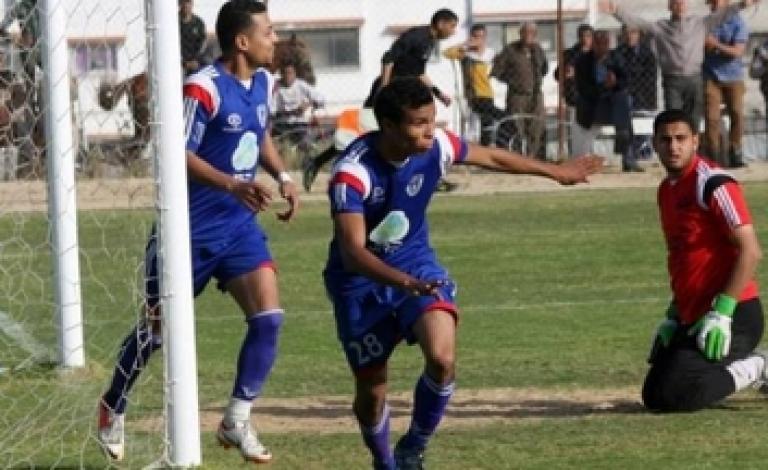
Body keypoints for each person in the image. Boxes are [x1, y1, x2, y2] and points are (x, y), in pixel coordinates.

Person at [324, 77, 601, 470]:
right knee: (372, 390)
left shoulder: (437, 146)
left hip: (415, 264)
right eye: (419, 123)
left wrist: (556, 171)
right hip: (360, 284)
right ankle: (384, 462)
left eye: (432, 120)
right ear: (388, 125)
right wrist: (404, 283)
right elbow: (353, 253)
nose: (430, 130)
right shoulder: (353, 174)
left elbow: (493, 158)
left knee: (442, 357)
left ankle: (413, 447)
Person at [96, 1, 299, 463]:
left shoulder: (263, 82)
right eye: (268, 31)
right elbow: (176, 153)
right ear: (242, 41)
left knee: (269, 317)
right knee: (156, 332)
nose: (275, 39)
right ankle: (112, 405)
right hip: (186, 231)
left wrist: (283, 176)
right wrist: (233, 184)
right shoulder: (202, 88)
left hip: (239, 229)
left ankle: (236, 420)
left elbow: (260, 133)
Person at [644, 109, 765, 413]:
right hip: (693, 315)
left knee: (677, 394)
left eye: (681, 138)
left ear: (695, 141)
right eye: (665, 140)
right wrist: (673, 316)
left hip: (735, 315)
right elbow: (683, 257)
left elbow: (751, 251)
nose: (673, 146)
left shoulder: (713, 183)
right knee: (654, 395)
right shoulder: (666, 191)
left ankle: (759, 366)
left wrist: (723, 312)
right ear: (655, 144)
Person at [599, 0, 760, 130]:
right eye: (676, 2)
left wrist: (743, 4)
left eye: (683, 2)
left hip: (694, 79)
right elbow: (638, 23)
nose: (680, 5)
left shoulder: (699, 24)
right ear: (670, 6)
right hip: (673, 81)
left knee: (694, 120)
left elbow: (723, 14)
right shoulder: (661, 27)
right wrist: (616, 11)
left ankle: (693, 154)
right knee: (674, 118)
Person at [572, 30, 640, 172]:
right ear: (593, 44)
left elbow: (626, 81)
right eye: (599, 43)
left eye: (605, 44)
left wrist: (615, 83)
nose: (602, 47)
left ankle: (628, 159)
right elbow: (583, 89)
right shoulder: (583, 61)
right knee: (622, 114)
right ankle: (581, 161)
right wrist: (603, 86)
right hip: (592, 104)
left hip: (613, 103)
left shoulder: (616, 58)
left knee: (623, 104)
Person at [363, 9, 459, 108]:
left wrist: (439, 94)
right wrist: (385, 89)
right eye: (452, 26)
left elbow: (419, 73)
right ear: (441, 24)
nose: (453, 31)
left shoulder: (430, 41)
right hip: (389, 92)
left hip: (403, 91)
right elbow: (388, 58)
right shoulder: (416, 36)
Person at [491, 22, 549, 158]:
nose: (529, 36)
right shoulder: (510, 50)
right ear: (520, 34)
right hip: (517, 96)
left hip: (536, 95)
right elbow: (496, 72)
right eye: (526, 32)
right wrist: (514, 81)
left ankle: (534, 158)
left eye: (532, 33)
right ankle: (517, 158)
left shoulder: (538, 50)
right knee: (517, 127)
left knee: (537, 127)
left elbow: (544, 69)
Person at [443, 24, 506, 146]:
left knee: (489, 121)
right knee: (487, 119)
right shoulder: (466, 54)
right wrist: (465, 43)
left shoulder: (491, 54)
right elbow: (447, 53)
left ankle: (490, 145)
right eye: (475, 36)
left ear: (485, 38)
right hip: (473, 95)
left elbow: (502, 67)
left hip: (488, 93)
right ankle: (484, 145)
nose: (478, 40)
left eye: (481, 37)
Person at [703, 0, 749, 168]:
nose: (715, 4)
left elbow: (737, 51)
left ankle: (735, 150)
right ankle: (714, 155)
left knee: (737, 113)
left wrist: (715, 45)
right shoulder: (706, 23)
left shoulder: (738, 23)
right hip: (710, 76)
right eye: (712, 1)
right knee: (712, 118)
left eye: (719, 1)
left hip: (733, 77)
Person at [272, 61, 325, 153]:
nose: (288, 76)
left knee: (305, 145)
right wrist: (290, 112)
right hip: (282, 124)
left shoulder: (301, 85)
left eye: (290, 73)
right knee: (276, 147)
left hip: (299, 124)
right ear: (281, 74)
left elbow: (321, 99)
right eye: (285, 73)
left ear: (295, 74)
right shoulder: (277, 87)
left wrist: (308, 104)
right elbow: (272, 110)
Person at [179, 0, 207, 76]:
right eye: (183, 2)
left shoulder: (198, 22)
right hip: (179, 63)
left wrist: (196, 60)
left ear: (192, 4)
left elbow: (203, 43)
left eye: (188, 2)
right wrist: (184, 63)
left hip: (196, 61)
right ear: (179, 4)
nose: (186, 5)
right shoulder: (174, 22)